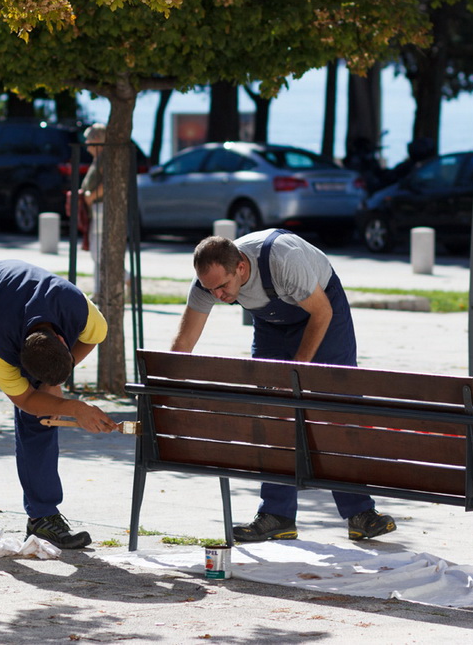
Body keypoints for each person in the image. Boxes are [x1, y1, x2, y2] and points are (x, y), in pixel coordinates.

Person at [170, 229, 397, 543]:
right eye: (211, 290)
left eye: (222, 287)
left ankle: (361, 514)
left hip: (322, 312)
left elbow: (322, 311)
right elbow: (183, 344)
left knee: (335, 413)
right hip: (272, 324)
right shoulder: (208, 283)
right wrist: (165, 389)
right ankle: (276, 515)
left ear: (241, 268)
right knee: (272, 414)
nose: (218, 297)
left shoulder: (282, 259)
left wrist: (296, 371)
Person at [0, 260, 119, 556]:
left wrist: (54, 389)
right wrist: (73, 406)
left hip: (15, 309)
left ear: (61, 338)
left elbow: (93, 338)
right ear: (19, 357)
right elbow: (24, 400)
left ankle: (43, 517)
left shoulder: (79, 309)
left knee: (45, 416)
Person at [80, 124, 106, 296]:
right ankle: (98, 290)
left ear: (97, 140)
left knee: (98, 251)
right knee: (96, 252)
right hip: (96, 208)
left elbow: (108, 182)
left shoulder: (104, 157)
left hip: (100, 207)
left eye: (88, 139)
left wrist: (91, 196)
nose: (86, 144)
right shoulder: (99, 158)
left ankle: (127, 278)